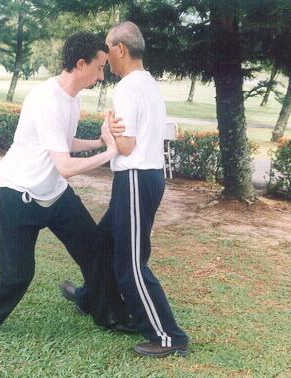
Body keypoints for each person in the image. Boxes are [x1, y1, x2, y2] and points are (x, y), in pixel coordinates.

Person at [0, 32, 131, 339]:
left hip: (54, 195)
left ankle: (109, 314)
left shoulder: (73, 98)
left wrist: (99, 141)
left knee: (94, 249)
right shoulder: (46, 100)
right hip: (17, 193)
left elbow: (62, 144)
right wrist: (109, 153)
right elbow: (65, 167)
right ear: (81, 64)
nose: (102, 75)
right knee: (17, 275)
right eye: (99, 67)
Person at [63, 22, 189, 358]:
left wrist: (109, 132)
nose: (105, 59)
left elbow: (128, 146)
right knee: (101, 242)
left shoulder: (128, 89)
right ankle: (91, 296)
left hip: (135, 176)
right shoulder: (147, 83)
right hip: (140, 179)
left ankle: (169, 337)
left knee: (130, 264)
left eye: (108, 50)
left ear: (120, 49)